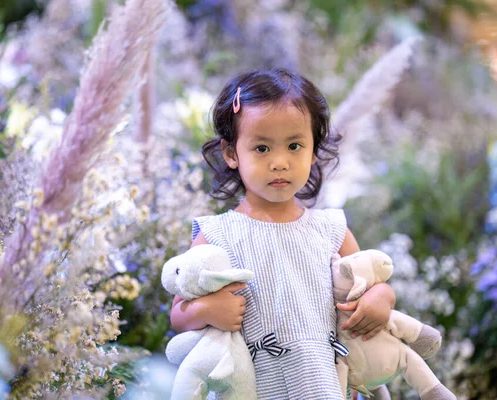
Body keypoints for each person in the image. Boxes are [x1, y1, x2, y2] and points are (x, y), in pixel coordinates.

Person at [169, 68, 396, 399]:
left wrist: (380, 299)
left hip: (324, 381)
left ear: (314, 149)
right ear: (232, 153)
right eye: (262, 148)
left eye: (294, 146)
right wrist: (206, 311)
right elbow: (178, 312)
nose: (279, 162)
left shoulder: (331, 229)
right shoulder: (217, 234)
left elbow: (373, 285)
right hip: (255, 386)